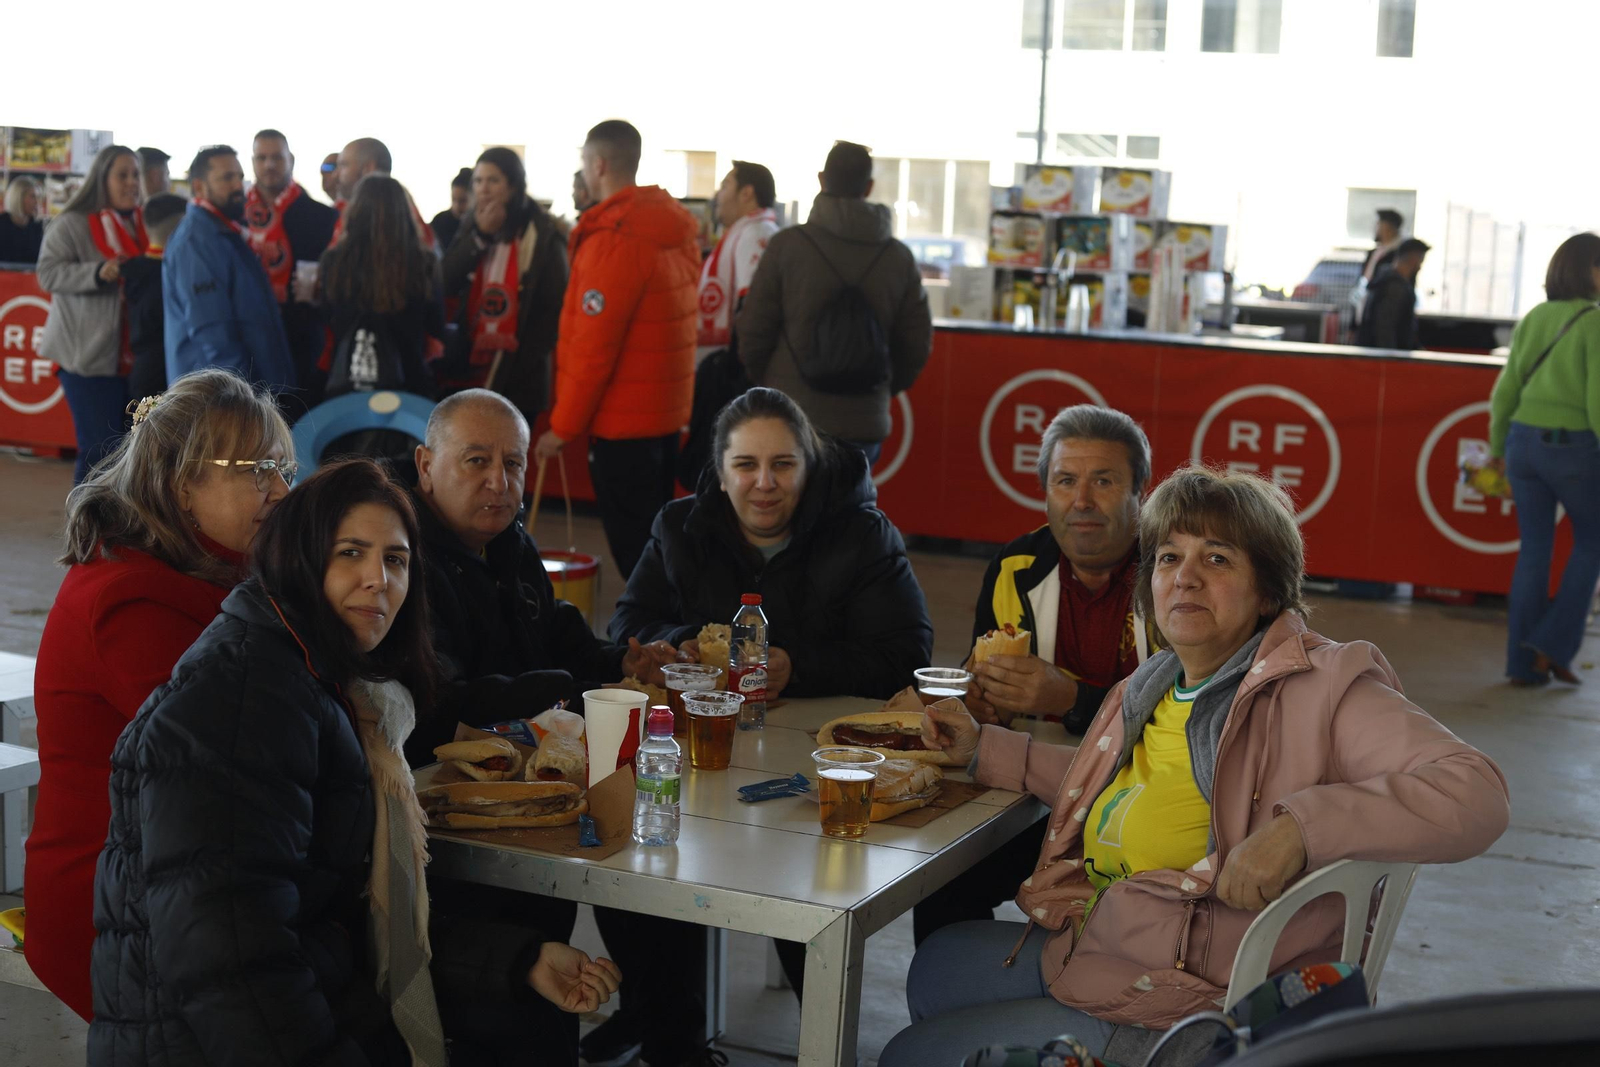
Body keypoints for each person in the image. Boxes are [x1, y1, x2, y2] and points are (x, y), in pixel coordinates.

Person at [884, 465, 1510, 1067]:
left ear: (1269, 592)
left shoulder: (1322, 686)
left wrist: (1298, 830)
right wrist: (982, 749)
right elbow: (1115, 783)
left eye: (1216, 559)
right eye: (1168, 557)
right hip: (1119, 944)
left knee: (909, 1055)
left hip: (1195, 1001)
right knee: (939, 963)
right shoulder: (1156, 684)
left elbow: (1475, 789)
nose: (1184, 577)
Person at [89, 458, 623, 1066]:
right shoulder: (241, 699)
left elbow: (344, 914)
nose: (378, 580)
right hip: (202, 1045)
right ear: (298, 558)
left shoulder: (335, 685)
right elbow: (233, 967)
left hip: (298, 1006)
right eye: (350, 553)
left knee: (529, 1020)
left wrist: (517, 961)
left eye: (396, 560)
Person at [608, 385, 934, 1014]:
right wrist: (684, 644)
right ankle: (663, 1030)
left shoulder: (862, 532)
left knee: (807, 887)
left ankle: (821, 1032)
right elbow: (628, 620)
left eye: (783, 464)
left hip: (814, 764)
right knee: (635, 857)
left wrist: (798, 666)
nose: (764, 483)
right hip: (700, 756)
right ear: (719, 471)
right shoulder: (679, 526)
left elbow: (907, 651)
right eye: (746, 465)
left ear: (809, 466)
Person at [27, 369, 294, 1022]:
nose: (282, 491)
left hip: (180, 882)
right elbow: (250, 745)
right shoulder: (130, 597)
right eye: (258, 470)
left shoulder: (203, 568)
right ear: (182, 484)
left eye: (284, 469)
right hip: (116, 912)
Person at [912, 405, 1164, 948]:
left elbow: (1191, 716)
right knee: (939, 875)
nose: (1082, 501)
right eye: (1065, 481)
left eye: (1104, 481)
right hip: (1034, 802)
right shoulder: (1016, 566)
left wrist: (1073, 699)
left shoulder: (1174, 572)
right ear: (1045, 491)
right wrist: (981, 700)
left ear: (1140, 493)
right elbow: (985, 689)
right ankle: (959, 993)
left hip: (1146, 802)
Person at [408, 388, 679, 762]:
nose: (500, 482)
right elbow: (443, 703)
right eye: (476, 461)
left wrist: (621, 663)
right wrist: (582, 694)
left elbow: (553, 635)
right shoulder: (400, 559)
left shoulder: (509, 540)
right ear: (425, 467)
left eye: (513, 463)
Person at [533, 120, 700, 580]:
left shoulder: (614, 239)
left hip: (621, 425)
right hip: (663, 417)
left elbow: (593, 348)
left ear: (599, 164)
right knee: (658, 545)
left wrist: (563, 427)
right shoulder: (673, 230)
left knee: (639, 556)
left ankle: (653, 626)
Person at [737, 140, 932, 465]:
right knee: (854, 499)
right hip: (865, 420)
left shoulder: (786, 246)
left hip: (792, 418)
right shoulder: (898, 257)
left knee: (791, 499)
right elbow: (916, 345)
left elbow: (753, 332)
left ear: (821, 179)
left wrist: (775, 386)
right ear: (868, 187)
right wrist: (879, 387)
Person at [1488, 232, 1600, 687]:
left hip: (1522, 444)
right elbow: (1597, 400)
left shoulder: (1535, 316)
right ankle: (1550, 646)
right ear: (1588, 271)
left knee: (1534, 550)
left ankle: (1523, 665)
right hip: (1571, 447)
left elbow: (1506, 391)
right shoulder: (1594, 323)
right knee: (1592, 542)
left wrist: (1498, 448)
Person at [36, 144, 146, 483]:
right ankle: (84, 518)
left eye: (136, 175)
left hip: (134, 358)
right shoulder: (70, 224)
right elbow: (47, 274)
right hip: (86, 359)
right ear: (101, 179)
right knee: (99, 453)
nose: (132, 183)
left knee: (129, 456)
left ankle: (112, 519)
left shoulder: (143, 224)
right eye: (122, 175)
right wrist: (97, 273)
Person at [439, 147, 569, 417]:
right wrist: (480, 237)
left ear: (513, 186)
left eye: (493, 180)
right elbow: (445, 282)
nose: (483, 189)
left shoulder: (543, 232)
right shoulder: (470, 224)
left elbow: (554, 308)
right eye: (478, 181)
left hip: (521, 372)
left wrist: (517, 360)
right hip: (469, 361)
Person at [163, 145, 295, 393]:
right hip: (220, 398)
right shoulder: (196, 242)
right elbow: (213, 333)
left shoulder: (226, 232)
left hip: (247, 389)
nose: (238, 186)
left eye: (240, 176)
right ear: (199, 186)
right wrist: (241, 399)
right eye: (227, 178)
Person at [319, 174, 444, 398]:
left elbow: (326, 317)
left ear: (355, 211)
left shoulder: (334, 261)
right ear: (404, 213)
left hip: (349, 379)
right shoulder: (423, 262)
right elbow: (436, 326)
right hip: (409, 381)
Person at [247, 128, 339, 404]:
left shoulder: (322, 216)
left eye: (277, 157)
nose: (269, 165)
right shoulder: (237, 216)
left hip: (304, 338)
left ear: (291, 160)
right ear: (253, 162)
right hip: (250, 338)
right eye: (261, 158)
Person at [696, 160, 780, 363]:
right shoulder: (749, 230)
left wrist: (735, 368)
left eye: (725, 186)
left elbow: (754, 308)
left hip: (735, 362)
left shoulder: (755, 234)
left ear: (746, 193)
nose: (718, 195)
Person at [117, 193, 189, 400]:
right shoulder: (177, 273)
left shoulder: (131, 269)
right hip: (170, 372)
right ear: (181, 227)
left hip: (141, 371)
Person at [1356, 237, 1428, 350]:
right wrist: (1391, 356)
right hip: (1386, 355)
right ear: (1413, 258)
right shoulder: (1395, 286)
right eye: (1421, 260)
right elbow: (1384, 327)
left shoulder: (1384, 278)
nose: (1420, 266)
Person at [0, 176, 44, 264]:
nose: (37, 202)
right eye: (33, 197)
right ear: (18, 197)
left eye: (38, 197)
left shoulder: (37, 227)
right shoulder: (2, 224)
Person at [430, 166, 473, 250]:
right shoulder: (440, 221)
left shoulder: (481, 225)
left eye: (462, 201)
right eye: (454, 200)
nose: (456, 206)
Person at [1362, 207, 1404, 283]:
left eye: (1378, 224)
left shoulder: (1399, 254)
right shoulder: (1375, 251)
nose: (1374, 228)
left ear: (1387, 227)